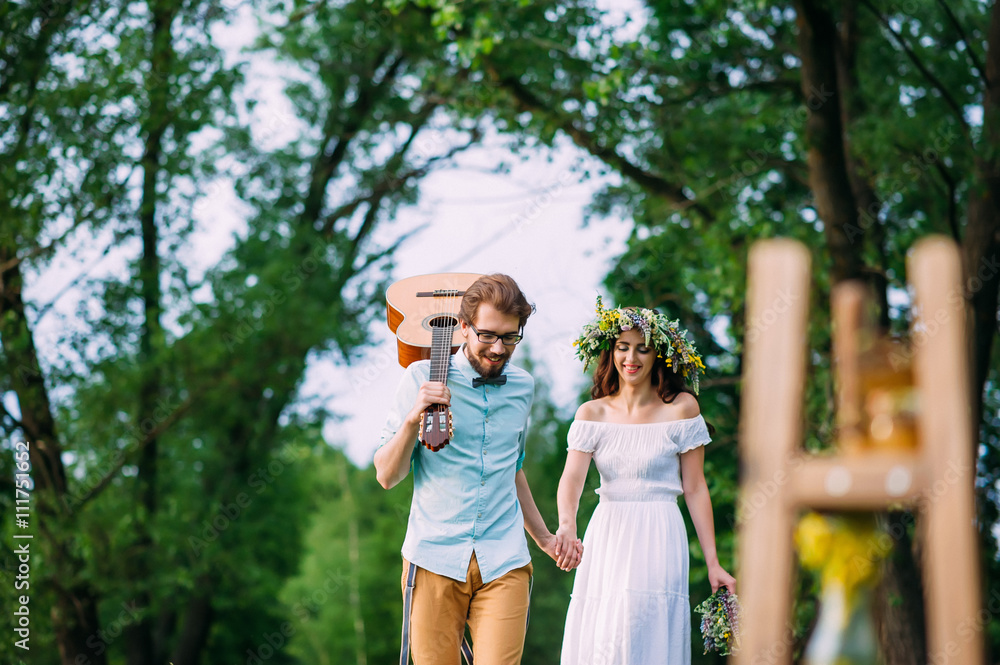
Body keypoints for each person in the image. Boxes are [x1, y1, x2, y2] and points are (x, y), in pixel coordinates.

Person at [375, 273, 582, 665]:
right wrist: (411, 420)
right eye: (487, 335)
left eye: (510, 337)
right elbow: (387, 475)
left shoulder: (524, 387)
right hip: (434, 557)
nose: (498, 348)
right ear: (463, 327)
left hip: (504, 558)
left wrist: (544, 538)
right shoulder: (421, 378)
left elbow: (512, 469)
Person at [554, 296, 736, 664]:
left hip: (660, 530)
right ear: (611, 351)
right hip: (608, 530)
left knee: (646, 628)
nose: (631, 358)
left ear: (659, 355)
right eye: (622, 347)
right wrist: (567, 525)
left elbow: (696, 488)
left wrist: (713, 562)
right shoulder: (593, 413)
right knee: (604, 633)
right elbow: (572, 479)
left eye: (642, 349)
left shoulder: (682, 408)